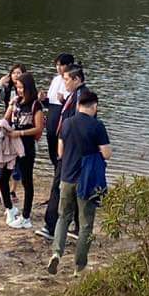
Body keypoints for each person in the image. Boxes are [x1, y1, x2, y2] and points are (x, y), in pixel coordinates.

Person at [49, 87, 112, 276]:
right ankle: (79, 267)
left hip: (67, 177)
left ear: (77, 105)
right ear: (95, 106)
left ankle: (56, 253)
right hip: (87, 180)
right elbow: (107, 154)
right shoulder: (97, 125)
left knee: (63, 217)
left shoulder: (67, 124)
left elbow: (60, 152)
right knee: (85, 225)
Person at [41, 64, 86, 239]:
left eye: (67, 79)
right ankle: (75, 225)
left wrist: (66, 149)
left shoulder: (81, 97)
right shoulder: (73, 96)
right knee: (70, 187)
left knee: (60, 186)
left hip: (72, 152)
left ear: (77, 79)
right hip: (68, 151)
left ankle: (51, 226)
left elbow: (79, 126)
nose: (64, 83)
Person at [0, 70, 42, 229]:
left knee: (26, 180)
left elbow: (38, 128)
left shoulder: (36, 104)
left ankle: (26, 216)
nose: (19, 90)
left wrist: (20, 133)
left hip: (26, 145)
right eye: (17, 87)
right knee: (2, 176)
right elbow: (6, 118)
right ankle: (9, 208)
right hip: (11, 144)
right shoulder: (15, 101)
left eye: (22, 87)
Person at [0, 64, 28, 206]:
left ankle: (13, 191)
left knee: (17, 162)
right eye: (14, 73)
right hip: (6, 127)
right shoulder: (7, 89)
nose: (16, 75)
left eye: (19, 73)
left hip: (20, 129)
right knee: (0, 160)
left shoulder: (27, 91)